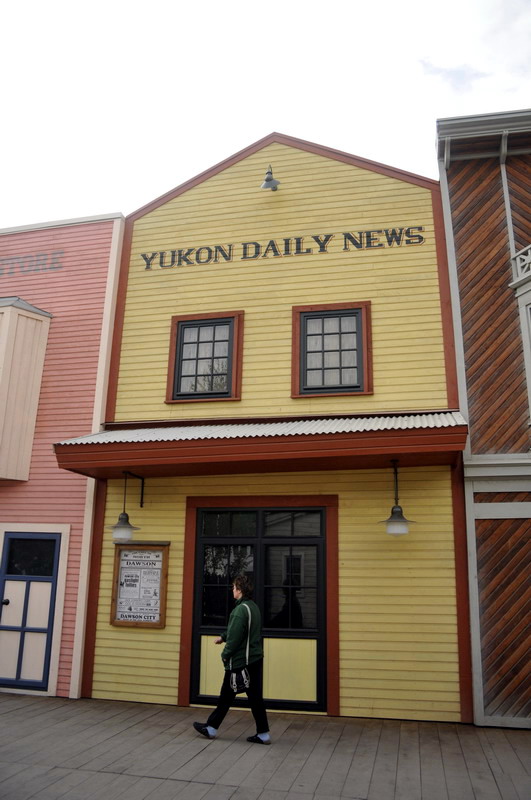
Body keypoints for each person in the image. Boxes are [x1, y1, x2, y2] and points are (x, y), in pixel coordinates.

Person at [193, 575, 271, 744]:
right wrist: (223, 637)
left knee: (226, 696)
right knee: (255, 698)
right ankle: (263, 734)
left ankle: (211, 728)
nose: (232, 590)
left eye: (234, 587)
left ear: (240, 590)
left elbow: (235, 637)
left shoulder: (239, 610)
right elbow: (239, 630)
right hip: (255, 659)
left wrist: (225, 655)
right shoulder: (253, 607)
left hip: (241, 662)